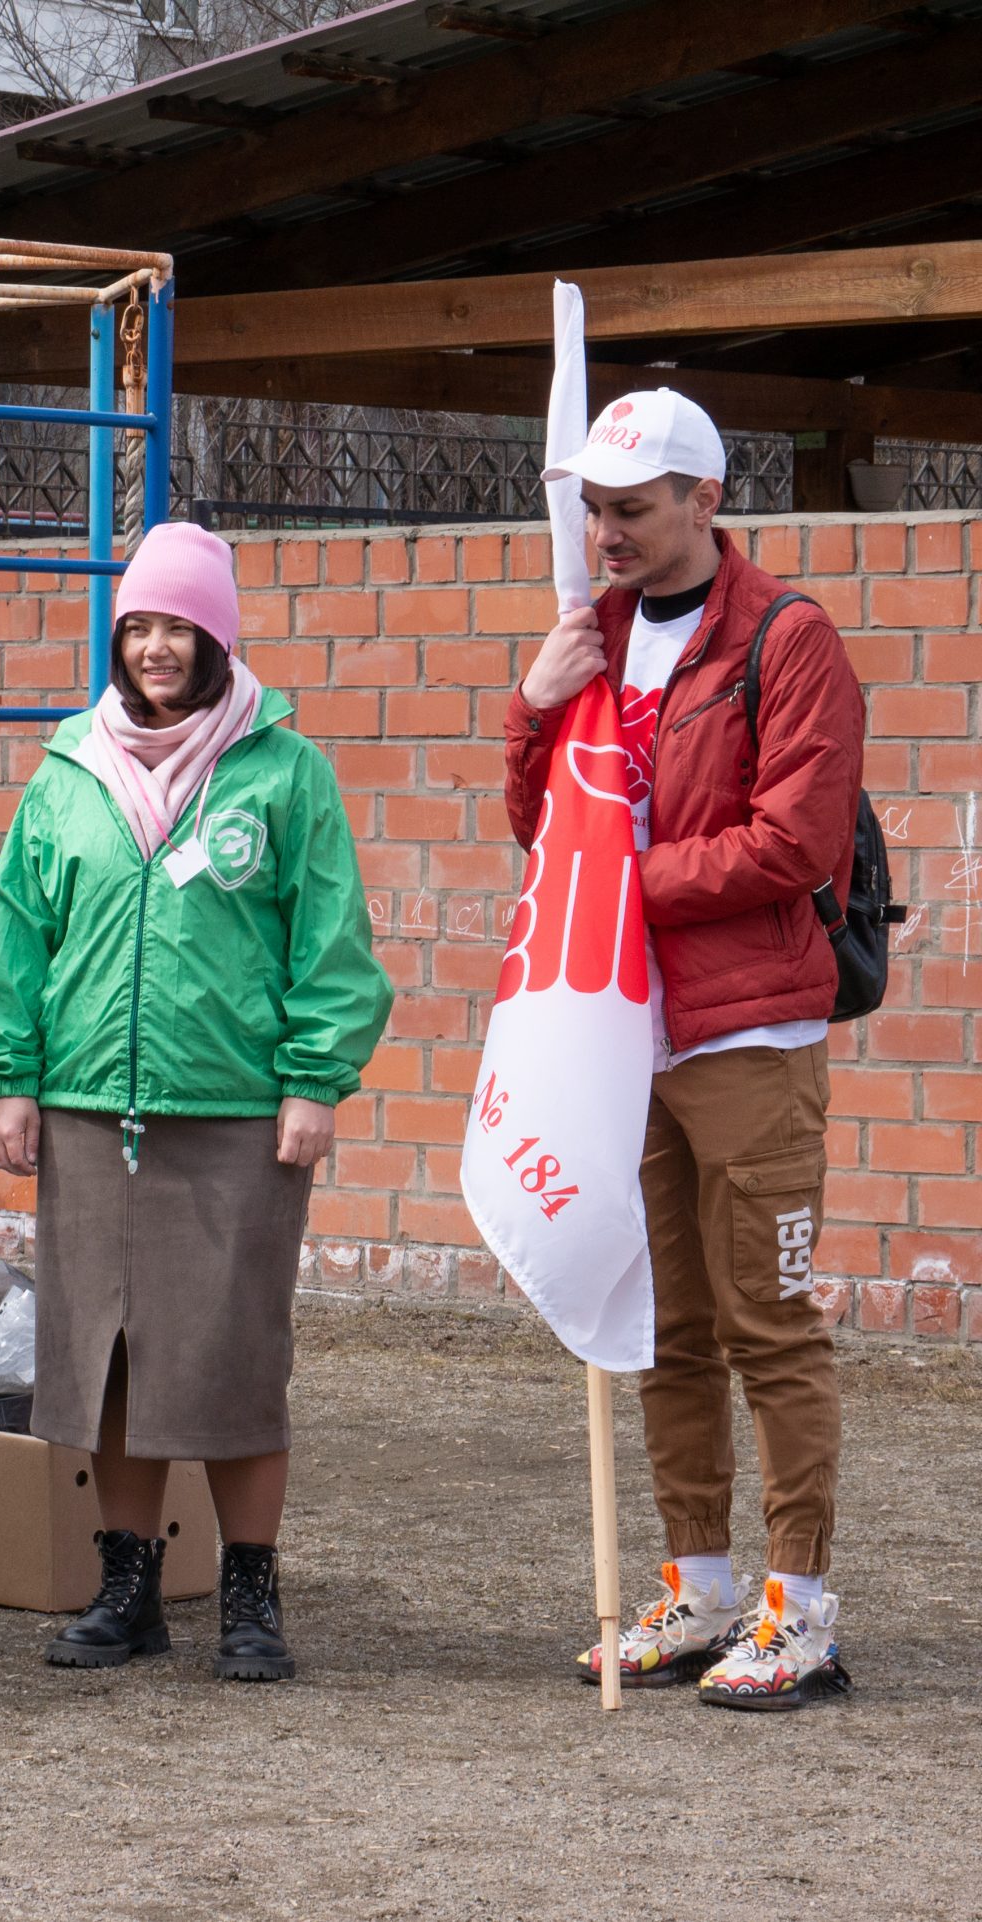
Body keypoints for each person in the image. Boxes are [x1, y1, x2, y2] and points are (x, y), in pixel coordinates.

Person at [0, 521, 392, 1684]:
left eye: (179, 628)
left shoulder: (282, 770)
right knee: (110, 1361)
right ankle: (128, 1588)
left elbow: (331, 940)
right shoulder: (67, 772)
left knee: (233, 1359)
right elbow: (16, 933)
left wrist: (312, 1081)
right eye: (138, 627)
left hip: (236, 1115)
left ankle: (250, 1595)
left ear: (218, 637)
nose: (156, 649)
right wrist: (10, 1074)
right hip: (91, 1108)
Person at [514, 389, 864, 1711]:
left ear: (703, 501)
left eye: (631, 507)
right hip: (624, 1033)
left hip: (749, 1033)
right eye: (593, 507)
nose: (605, 529)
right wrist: (531, 709)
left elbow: (796, 843)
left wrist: (629, 881)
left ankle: (801, 1606)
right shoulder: (589, 635)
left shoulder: (789, 637)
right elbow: (538, 826)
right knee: (663, 1327)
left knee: (767, 1323)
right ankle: (698, 1585)